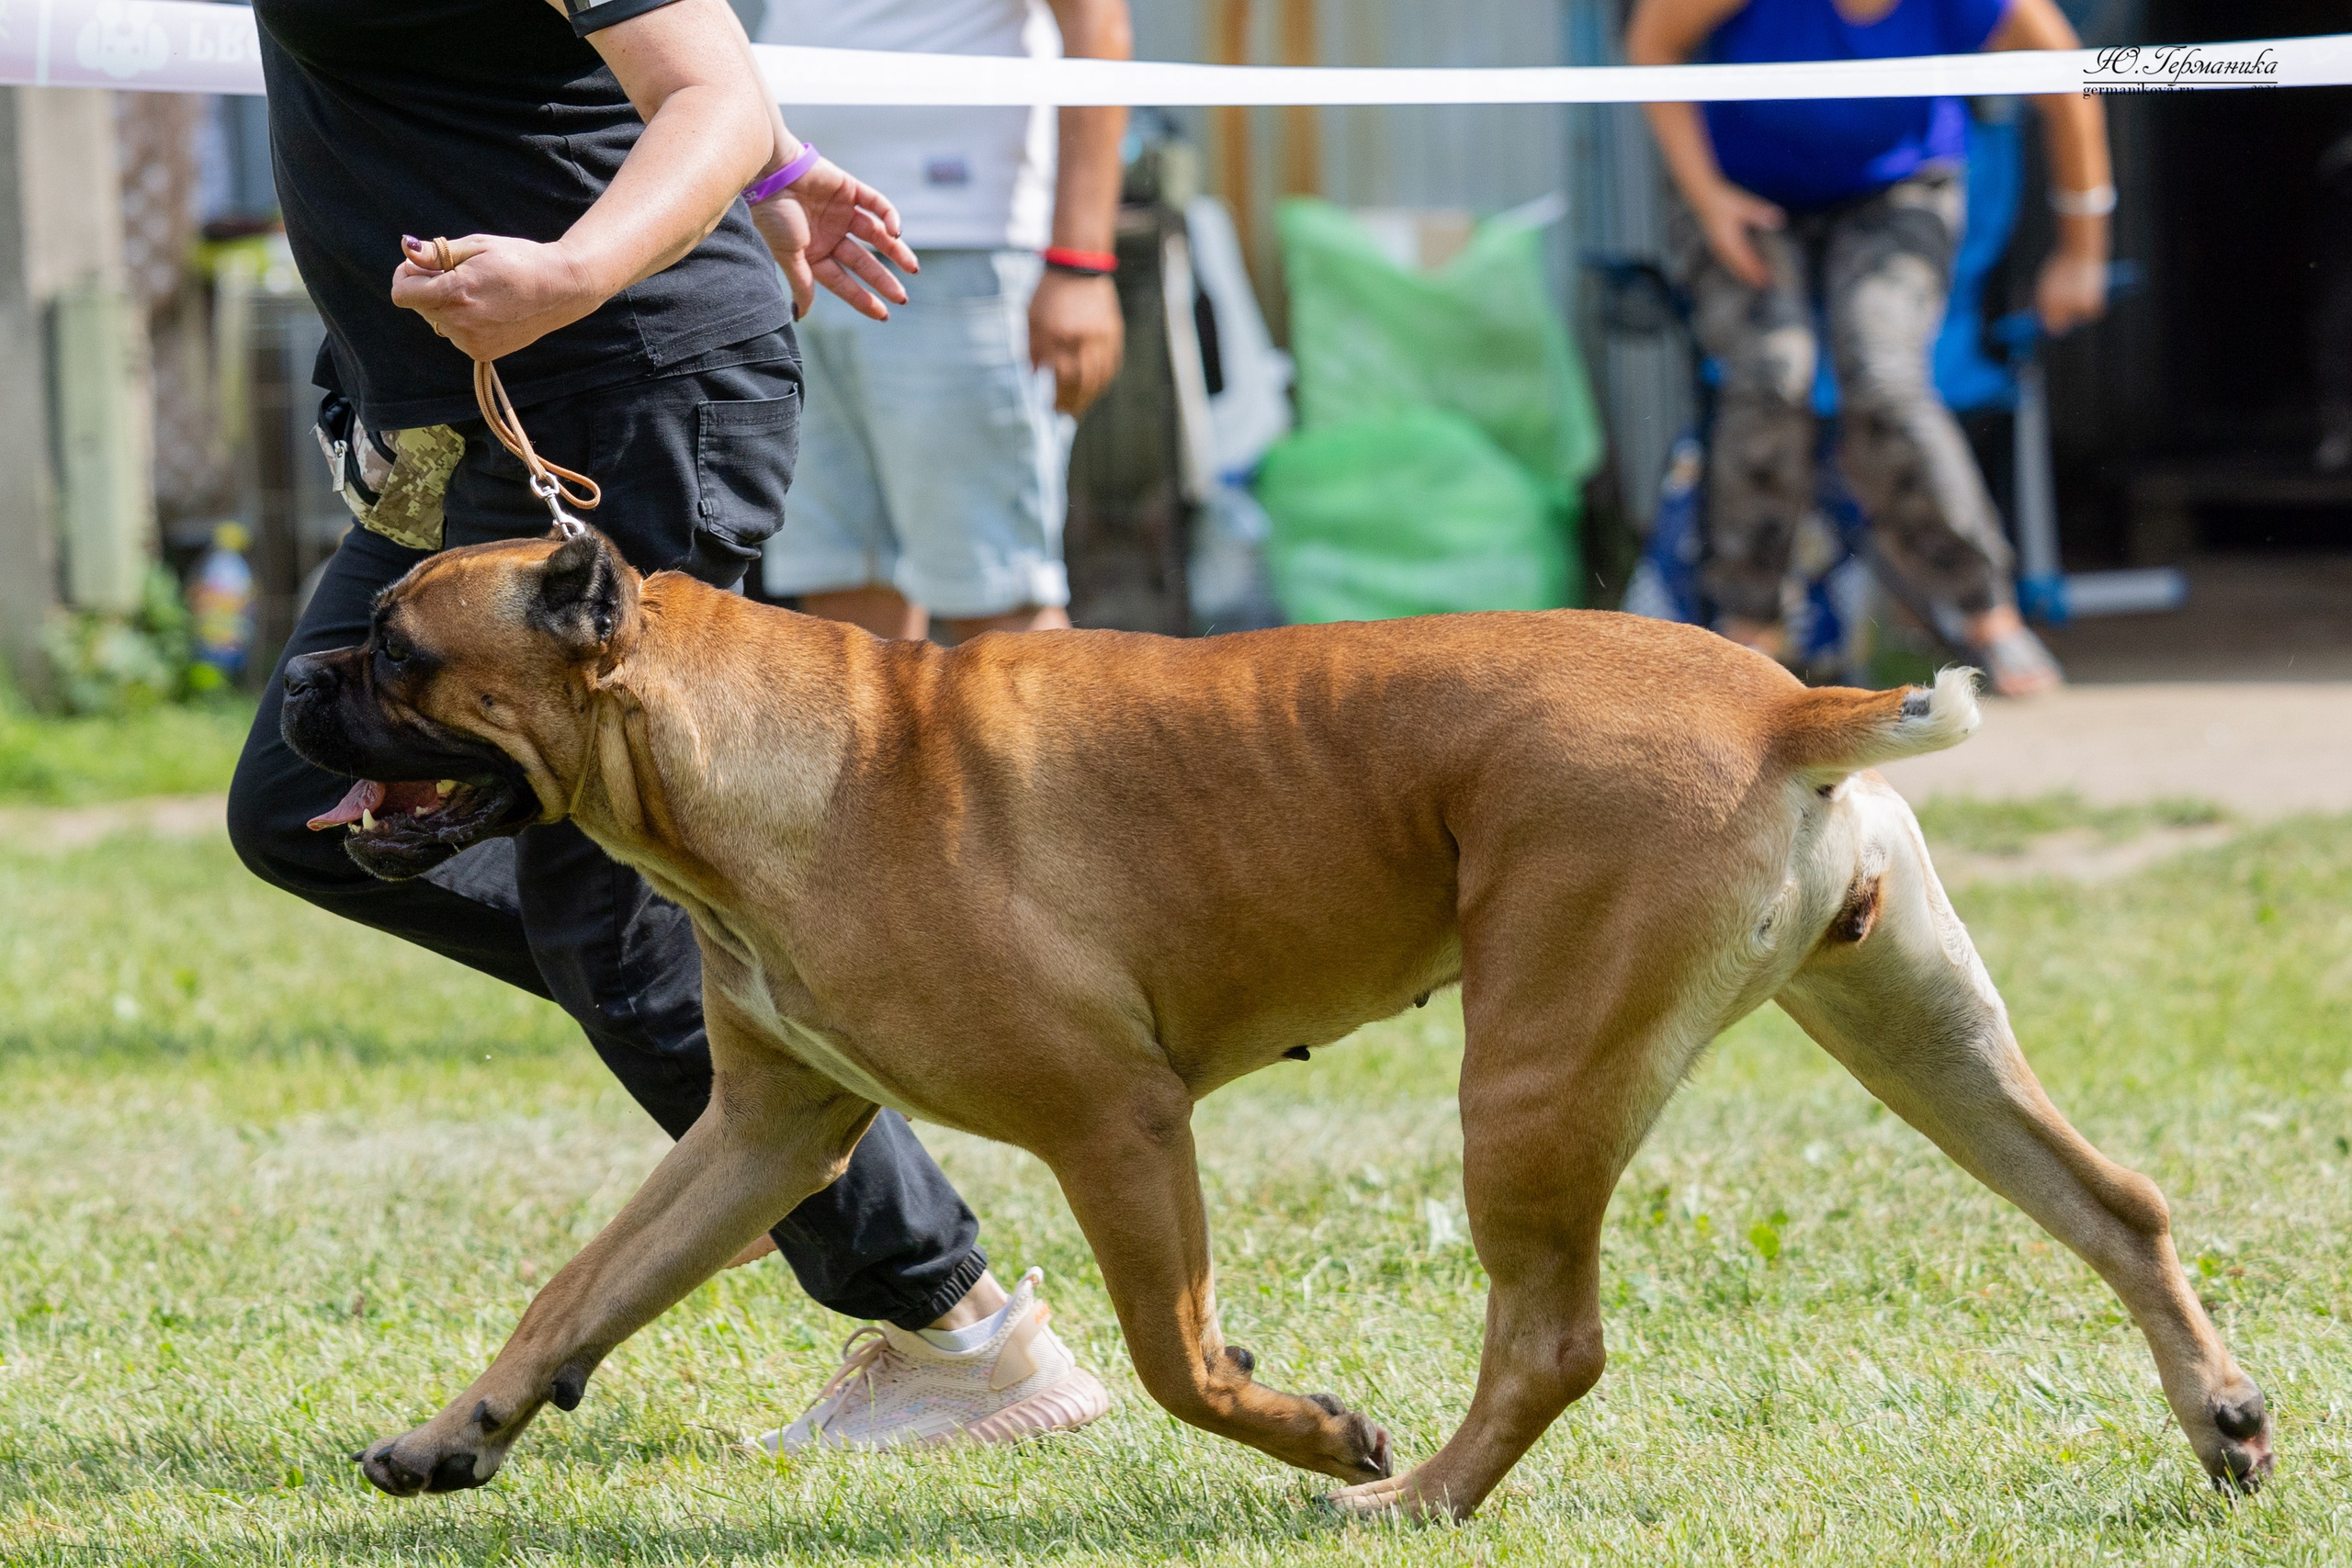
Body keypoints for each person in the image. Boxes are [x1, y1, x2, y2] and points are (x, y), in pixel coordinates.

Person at [224, 0, 1106, 1458]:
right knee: (300, 806)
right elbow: (570, 82)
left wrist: (596, 252)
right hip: (461, 429)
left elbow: (699, 77)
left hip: (618, 397)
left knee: (612, 920)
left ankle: (960, 1325)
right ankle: (745, 1072)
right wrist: (765, 165)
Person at [1627, 0, 2111, 696]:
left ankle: (1985, 611)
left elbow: (2073, 83)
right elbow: (1651, 43)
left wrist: (2082, 250)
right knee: (1773, 372)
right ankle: (1746, 633)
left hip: (1899, 191)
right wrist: (1707, 199)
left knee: (1883, 378)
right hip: (1746, 193)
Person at [752, 0, 1133, 641]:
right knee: (845, 597)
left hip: (959, 249)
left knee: (998, 601)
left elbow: (1097, 21)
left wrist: (1080, 261)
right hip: (800, 245)